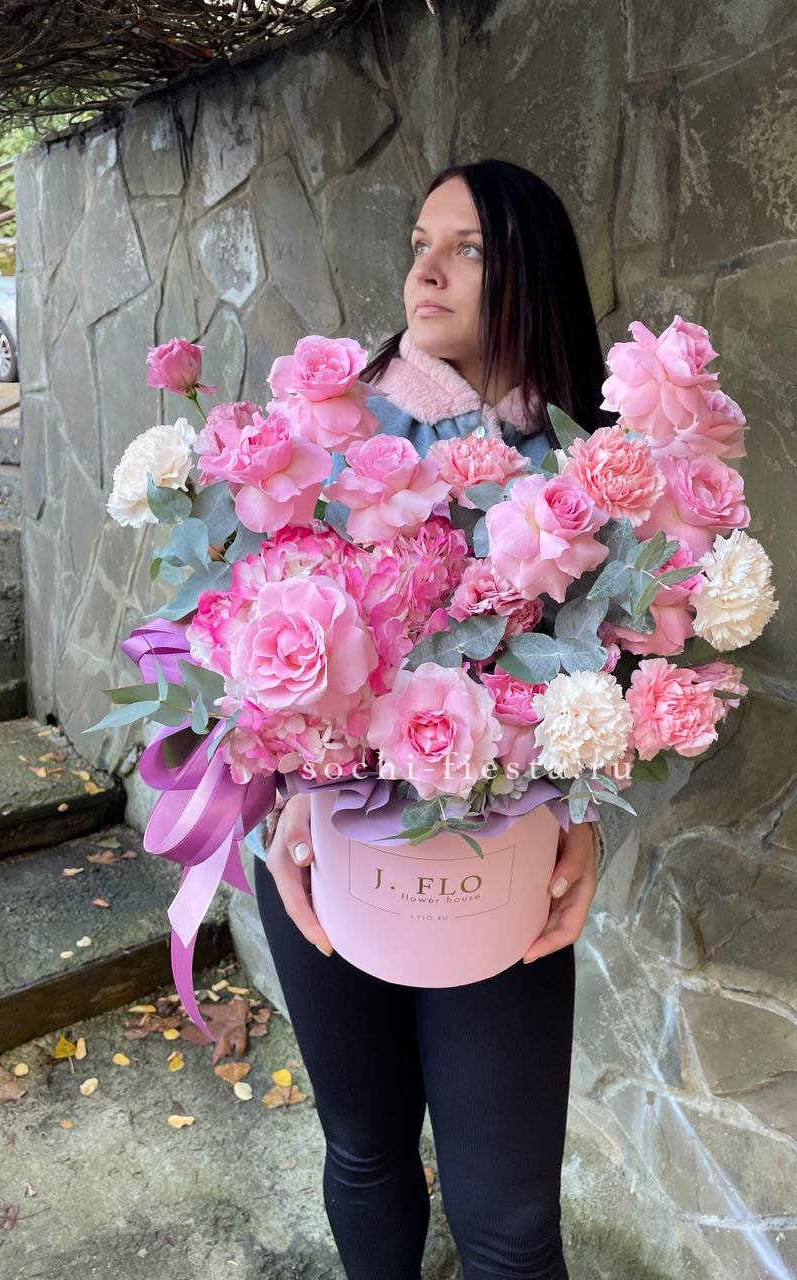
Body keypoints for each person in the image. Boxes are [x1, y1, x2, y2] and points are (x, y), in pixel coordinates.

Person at [250, 158, 619, 1280]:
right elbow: (252, 628)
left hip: (494, 863)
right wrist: (293, 785)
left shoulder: (594, 466)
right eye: (420, 243)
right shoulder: (331, 431)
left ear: (530, 273)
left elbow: (615, 678)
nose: (427, 269)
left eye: (467, 248)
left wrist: (588, 817)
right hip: (326, 842)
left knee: (509, 1225)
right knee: (366, 1153)